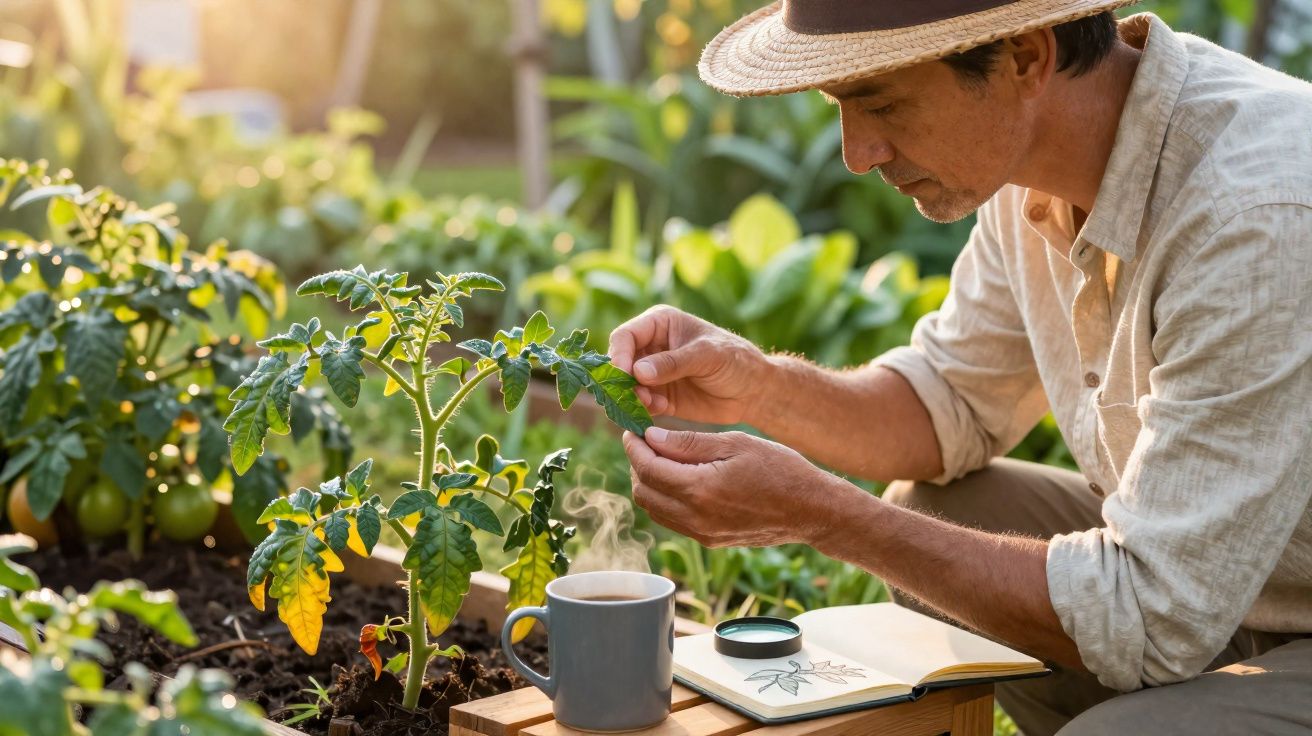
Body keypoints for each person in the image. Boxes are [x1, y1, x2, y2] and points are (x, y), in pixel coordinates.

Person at [609, 1, 1312, 733]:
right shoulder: (1029, 169)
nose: (857, 153)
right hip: (1230, 591)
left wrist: (818, 513)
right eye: (842, 108)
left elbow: (1152, 613)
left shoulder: (1253, 211)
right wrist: (756, 380)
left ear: (1024, 58)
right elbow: (947, 403)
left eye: (882, 103)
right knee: (931, 508)